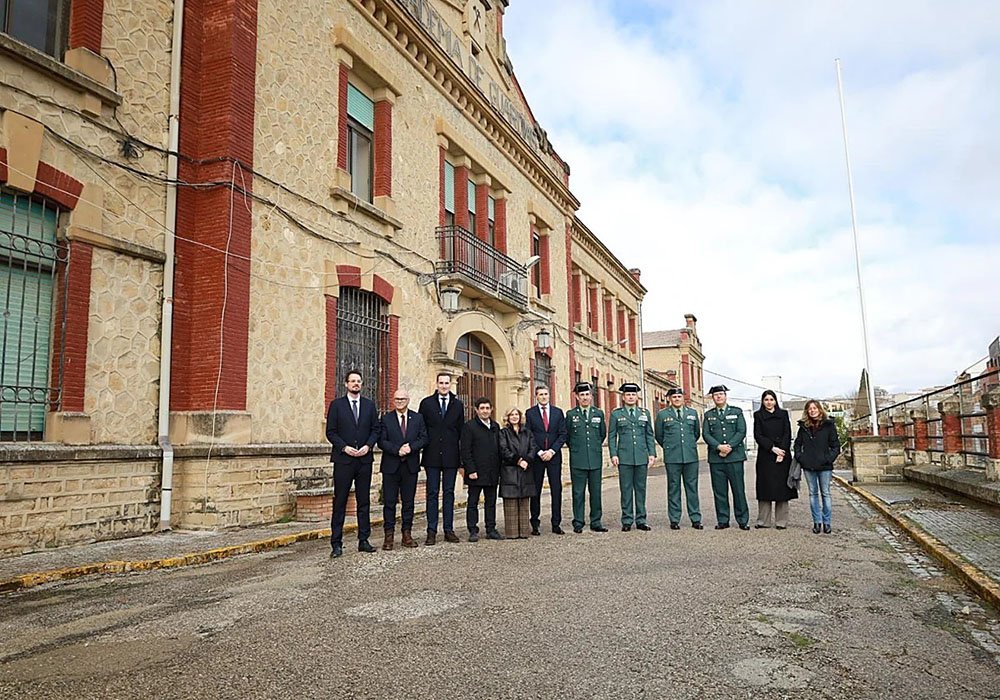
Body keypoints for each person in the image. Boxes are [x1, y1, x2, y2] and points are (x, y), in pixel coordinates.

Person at [326, 370, 380, 558]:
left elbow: (376, 429)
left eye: (358, 381)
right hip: (344, 460)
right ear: (346, 384)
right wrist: (344, 447)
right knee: (340, 501)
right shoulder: (336, 405)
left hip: (364, 460)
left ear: (362, 384)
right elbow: (331, 432)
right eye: (352, 381)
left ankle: (363, 540)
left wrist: (368, 446)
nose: (356, 384)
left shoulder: (369, 405)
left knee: (363, 501)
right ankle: (336, 543)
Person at [377, 388, 428, 550]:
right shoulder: (386, 419)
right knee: (389, 503)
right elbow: (381, 441)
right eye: (397, 399)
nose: (400, 401)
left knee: (408, 503)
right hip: (391, 467)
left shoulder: (418, 418)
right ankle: (389, 536)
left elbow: (424, 438)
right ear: (393, 400)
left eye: (403, 399)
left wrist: (411, 448)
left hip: (410, 466)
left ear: (408, 400)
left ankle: (407, 534)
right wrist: (397, 449)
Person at [418, 373, 464, 545]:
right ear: (436, 384)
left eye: (447, 383)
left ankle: (448, 530)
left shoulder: (457, 405)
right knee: (432, 493)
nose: (444, 386)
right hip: (432, 455)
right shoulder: (426, 403)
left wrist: (461, 460)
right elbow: (421, 428)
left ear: (450, 384)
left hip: (451, 456)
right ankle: (431, 531)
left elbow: (460, 432)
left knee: (449, 493)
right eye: (441, 383)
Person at [608, 382, 656, 532]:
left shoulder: (644, 413)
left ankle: (641, 520)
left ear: (637, 397)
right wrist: (614, 454)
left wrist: (652, 453)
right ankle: (627, 520)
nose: (630, 397)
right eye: (628, 395)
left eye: (633, 395)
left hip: (641, 456)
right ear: (623, 397)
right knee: (626, 489)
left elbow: (649, 434)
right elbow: (611, 436)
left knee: (641, 489)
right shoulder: (617, 414)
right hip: (625, 457)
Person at [702, 385, 750, 531]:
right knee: (719, 491)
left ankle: (742, 520)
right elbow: (706, 434)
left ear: (725, 396)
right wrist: (718, 447)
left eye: (721, 394)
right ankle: (723, 519)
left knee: (738, 490)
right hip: (716, 459)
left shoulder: (736, 412)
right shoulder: (708, 415)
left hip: (734, 457)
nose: (718, 397)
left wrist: (729, 447)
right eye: (716, 395)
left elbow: (741, 431)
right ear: (712, 397)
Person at [655, 387, 703, 530]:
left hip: (690, 456)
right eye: (674, 397)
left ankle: (695, 518)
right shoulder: (663, 415)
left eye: (679, 397)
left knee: (692, 488)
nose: (677, 399)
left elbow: (696, 433)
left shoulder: (692, 413)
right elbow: (659, 435)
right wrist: (670, 447)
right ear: (670, 399)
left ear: (683, 398)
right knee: (673, 488)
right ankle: (674, 519)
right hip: (672, 457)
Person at [524, 385, 568, 536]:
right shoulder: (530, 413)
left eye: (546, 394)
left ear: (549, 395)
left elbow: (563, 434)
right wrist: (540, 452)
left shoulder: (557, 412)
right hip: (537, 458)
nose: (543, 396)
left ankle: (556, 523)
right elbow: (528, 435)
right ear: (536, 396)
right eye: (540, 394)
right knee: (535, 490)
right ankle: (535, 523)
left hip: (554, 457)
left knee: (556, 490)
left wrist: (551, 451)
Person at [794, 399, 841, 534]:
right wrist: (800, 457)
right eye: (810, 409)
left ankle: (827, 522)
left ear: (819, 409)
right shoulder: (803, 427)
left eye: (815, 408)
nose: (812, 410)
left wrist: (828, 458)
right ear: (807, 411)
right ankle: (817, 522)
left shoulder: (829, 425)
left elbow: (835, 446)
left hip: (824, 466)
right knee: (813, 494)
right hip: (808, 466)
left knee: (825, 493)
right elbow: (797, 444)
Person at [566, 382, 608, 533]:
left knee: (596, 492)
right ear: (577, 397)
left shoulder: (598, 413)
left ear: (591, 396)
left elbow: (602, 434)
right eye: (582, 395)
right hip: (578, 459)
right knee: (578, 493)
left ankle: (596, 521)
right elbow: (568, 437)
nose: (585, 397)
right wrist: (578, 450)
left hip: (595, 459)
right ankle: (578, 521)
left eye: (587, 395)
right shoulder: (571, 415)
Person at [461, 396, 504, 541]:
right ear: (476, 410)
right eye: (482, 408)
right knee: (473, 501)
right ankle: (473, 530)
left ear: (491, 409)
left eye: (487, 408)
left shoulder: (495, 426)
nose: (485, 411)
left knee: (491, 502)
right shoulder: (469, 426)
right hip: (476, 472)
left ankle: (490, 529)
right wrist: (470, 470)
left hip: (492, 471)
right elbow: (465, 450)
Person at [752, 390, 796, 530]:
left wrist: (781, 451)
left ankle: (781, 521)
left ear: (775, 401)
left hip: (782, 456)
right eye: (766, 400)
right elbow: (758, 435)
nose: (769, 402)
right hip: (766, 455)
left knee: (782, 488)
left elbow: (787, 433)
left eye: (771, 399)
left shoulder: (783, 414)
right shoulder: (758, 415)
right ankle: (763, 521)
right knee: (765, 487)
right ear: (763, 401)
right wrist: (772, 448)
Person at [499, 407, 538, 540]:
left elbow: (533, 447)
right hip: (510, 470)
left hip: (525, 470)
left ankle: (524, 532)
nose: (514, 417)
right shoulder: (503, 433)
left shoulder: (527, 433)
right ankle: (512, 533)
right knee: (511, 503)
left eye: (517, 414)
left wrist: (527, 460)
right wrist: (518, 460)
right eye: (512, 415)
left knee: (524, 502)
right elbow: (503, 449)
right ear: (508, 417)